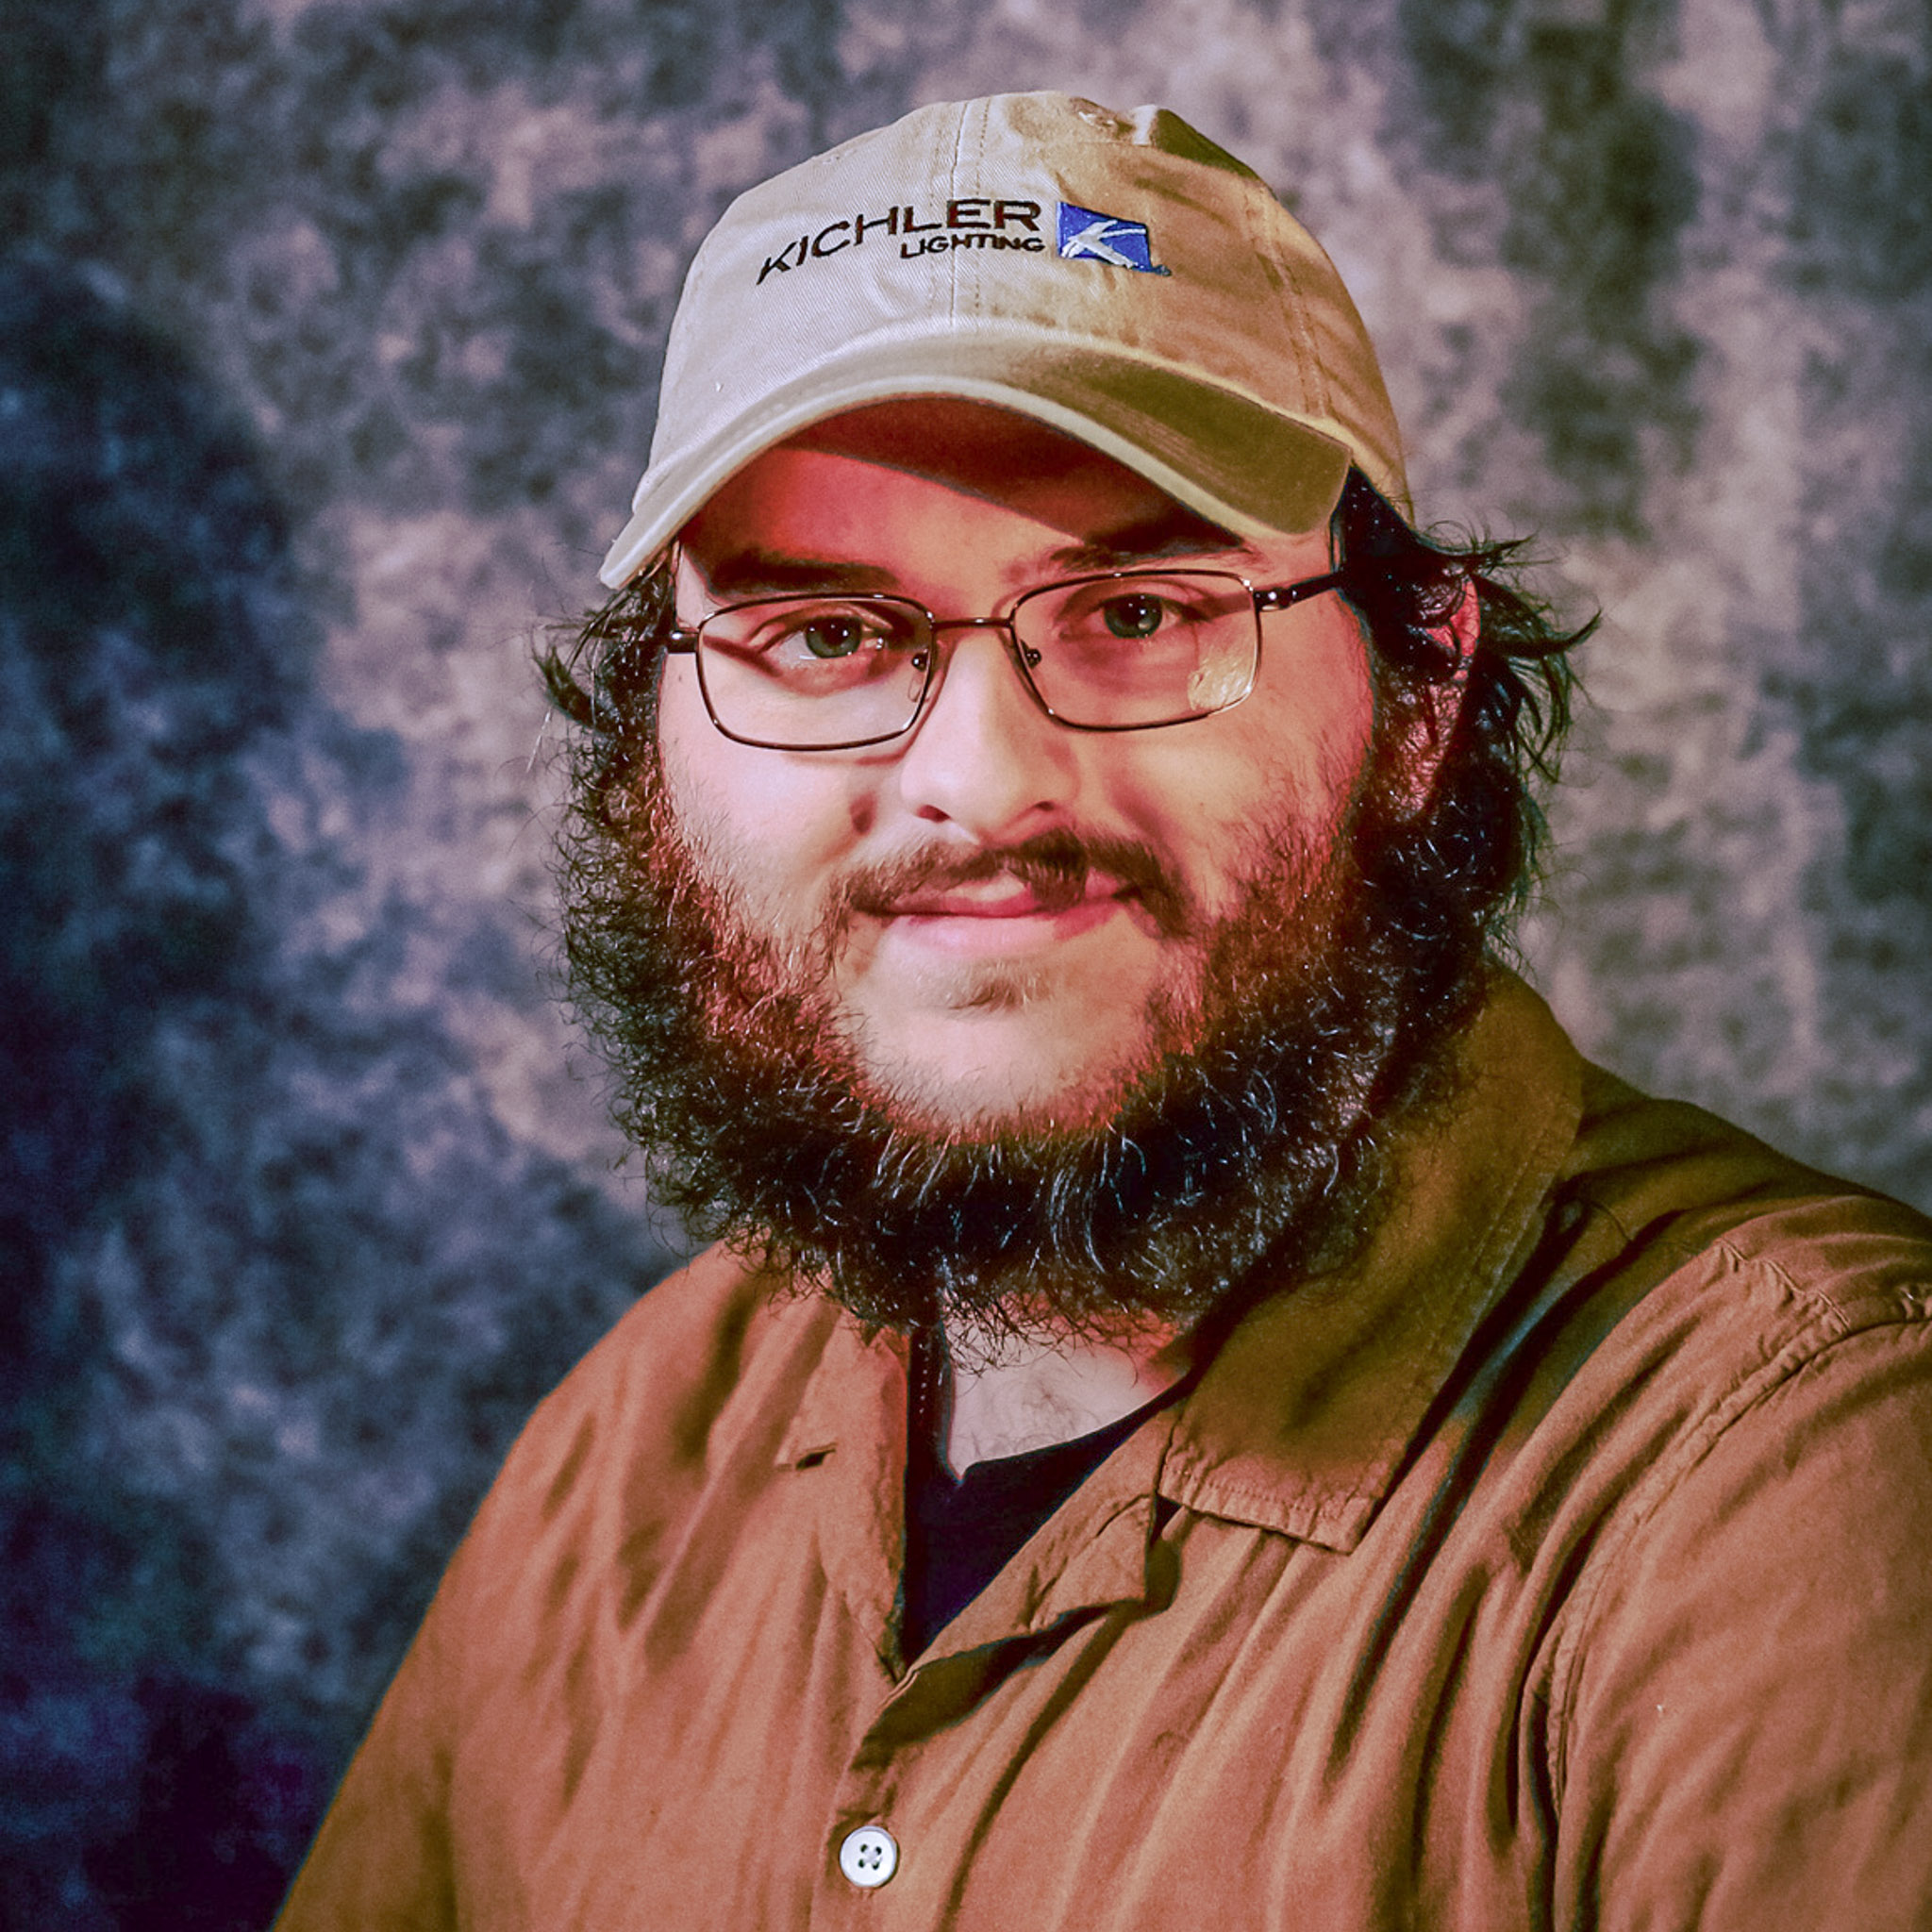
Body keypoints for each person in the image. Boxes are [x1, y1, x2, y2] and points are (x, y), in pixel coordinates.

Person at [275, 92, 1932, 1929]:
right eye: (823, 636)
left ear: (1421, 691)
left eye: (1138, 610)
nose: (978, 788)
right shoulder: (638, 1447)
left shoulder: (1800, 1481)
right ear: (648, 743)